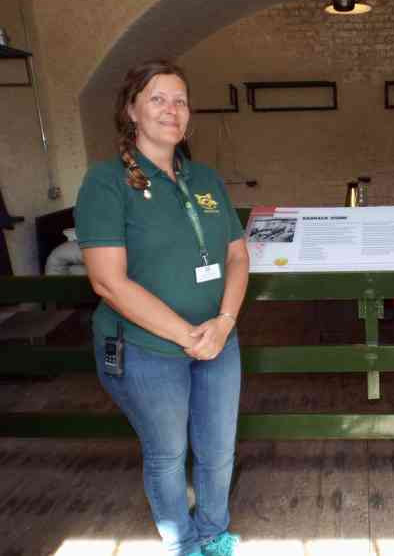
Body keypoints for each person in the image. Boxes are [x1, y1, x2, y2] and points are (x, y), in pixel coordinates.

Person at [75, 60, 249, 556]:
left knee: (218, 451)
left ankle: (214, 535)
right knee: (168, 453)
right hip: (149, 348)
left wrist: (224, 323)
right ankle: (181, 544)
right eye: (157, 99)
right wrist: (185, 334)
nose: (171, 110)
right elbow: (108, 281)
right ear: (131, 109)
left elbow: (237, 254)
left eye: (180, 100)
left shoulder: (206, 179)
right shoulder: (106, 183)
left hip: (219, 341)